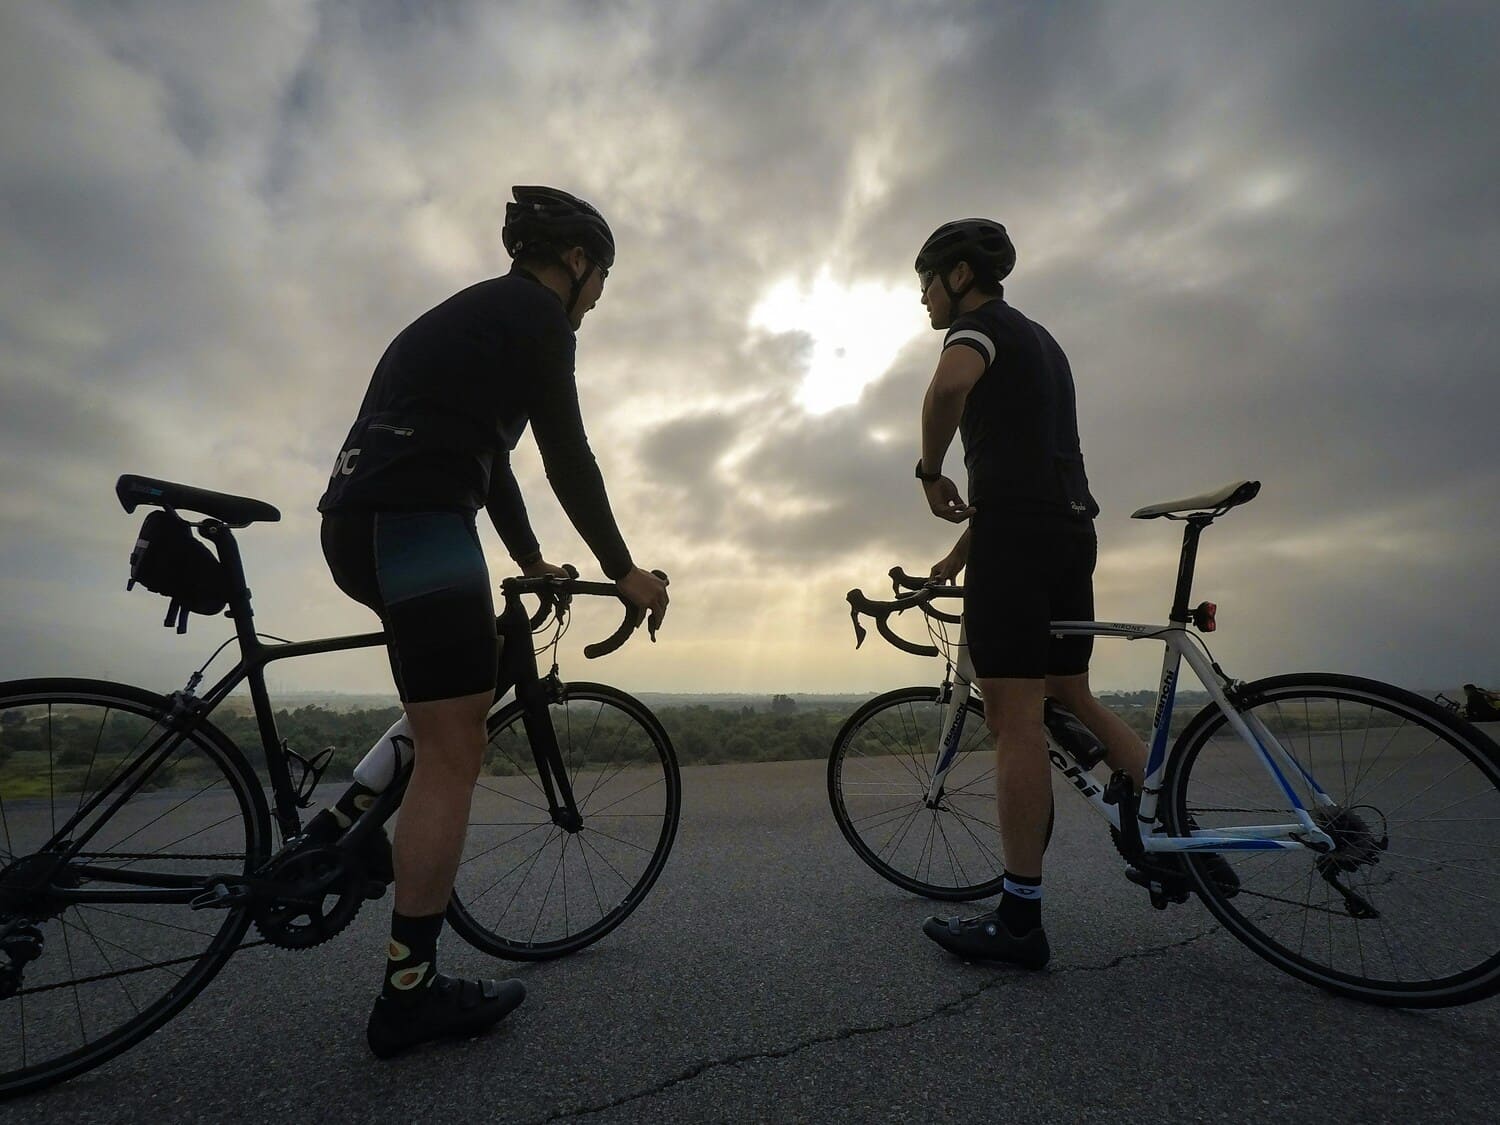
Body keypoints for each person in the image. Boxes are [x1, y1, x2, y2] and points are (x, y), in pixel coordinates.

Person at [314, 185, 669, 1056]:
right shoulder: (536, 316)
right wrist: (624, 569)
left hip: (357, 524)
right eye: (603, 277)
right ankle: (409, 994)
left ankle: (340, 832)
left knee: (456, 688)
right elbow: (567, 455)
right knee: (454, 748)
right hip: (420, 523)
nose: (600, 298)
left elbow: (492, 460)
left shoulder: (469, 317)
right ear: (578, 262)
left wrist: (529, 557)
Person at [910, 218, 1156, 970]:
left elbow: (948, 387)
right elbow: (1023, 473)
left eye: (924, 281)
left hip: (1018, 541)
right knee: (1069, 690)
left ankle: (1019, 919)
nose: (920, 297)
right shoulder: (1042, 342)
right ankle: (1164, 833)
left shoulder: (977, 330)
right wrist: (958, 556)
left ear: (958, 275)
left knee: (1014, 718)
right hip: (1069, 529)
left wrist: (929, 469)